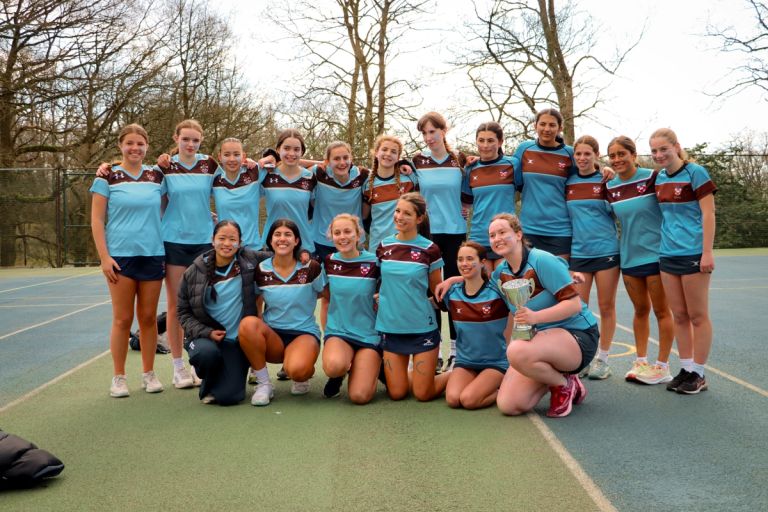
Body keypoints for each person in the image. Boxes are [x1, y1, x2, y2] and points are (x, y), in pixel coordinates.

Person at [490, 214, 598, 418]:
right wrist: (453, 280)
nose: (497, 238)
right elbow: (480, 287)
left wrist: (535, 317)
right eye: (492, 235)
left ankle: (563, 385)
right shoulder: (500, 274)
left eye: (502, 232)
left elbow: (574, 305)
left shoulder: (541, 259)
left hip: (577, 336)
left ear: (518, 234)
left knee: (516, 351)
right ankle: (564, 379)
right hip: (539, 342)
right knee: (509, 405)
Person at [90, 124, 165, 397]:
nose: (135, 148)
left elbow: (172, 206)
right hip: (120, 258)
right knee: (122, 319)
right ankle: (119, 377)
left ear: (147, 147)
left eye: (140, 144)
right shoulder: (107, 177)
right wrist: (104, 257)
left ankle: (149, 373)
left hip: (153, 254)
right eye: (130, 143)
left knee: (148, 318)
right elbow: (97, 220)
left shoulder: (157, 176)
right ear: (120, 146)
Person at [650, 128, 717, 394]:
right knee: (679, 315)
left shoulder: (695, 172)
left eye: (663, 149)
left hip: (693, 253)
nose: (659, 155)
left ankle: (699, 373)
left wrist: (707, 252)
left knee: (698, 315)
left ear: (676, 147)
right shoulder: (658, 178)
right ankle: (687, 368)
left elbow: (709, 213)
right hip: (667, 254)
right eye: (654, 151)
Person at [605, 136, 674, 385]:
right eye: (612, 156)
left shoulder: (653, 178)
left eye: (621, 154)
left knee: (661, 311)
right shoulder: (609, 187)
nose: (617, 159)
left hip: (656, 256)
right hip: (629, 258)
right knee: (640, 310)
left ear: (633, 155)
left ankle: (663, 367)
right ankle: (641, 361)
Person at [177, 220, 271, 405]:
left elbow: (281, 253)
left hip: (235, 341)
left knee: (230, 397)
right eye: (222, 238)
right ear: (213, 240)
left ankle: (222, 379)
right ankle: (207, 376)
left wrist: (303, 253)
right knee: (206, 355)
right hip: (205, 338)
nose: (227, 244)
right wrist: (207, 332)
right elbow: (183, 312)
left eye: (232, 239)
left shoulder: (249, 259)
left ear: (240, 242)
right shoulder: (194, 271)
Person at [238, 219, 324, 405]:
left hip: (303, 333)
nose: (282, 239)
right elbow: (256, 301)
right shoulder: (261, 269)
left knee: (298, 371)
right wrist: (258, 332)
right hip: (273, 336)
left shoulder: (311, 267)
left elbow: (325, 294)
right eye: (277, 234)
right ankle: (264, 384)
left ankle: (303, 371)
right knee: (248, 324)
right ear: (270, 240)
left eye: (288, 235)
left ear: (296, 241)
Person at [376, 192, 449, 401]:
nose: (399, 216)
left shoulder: (430, 249)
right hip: (391, 327)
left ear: (419, 218)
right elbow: (378, 281)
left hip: (421, 328)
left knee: (422, 394)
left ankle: (457, 374)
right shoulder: (383, 246)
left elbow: (437, 291)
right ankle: (418, 378)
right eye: (397, 211)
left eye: (407, 213)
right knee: (397, 393)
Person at [411, 112, 467, 372]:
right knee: (431, 293)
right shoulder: (416, 162)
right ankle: (434, 349)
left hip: (455, 233)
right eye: (424, 133)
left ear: (444, 131)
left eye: (432, 131)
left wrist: (467, 206)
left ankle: (456, 351)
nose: (428, 137)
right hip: (427, 236)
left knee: (455, 290)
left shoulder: (460, 159)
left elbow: (472, 188)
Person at [565, 136, 620, 380]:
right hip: (579, 253)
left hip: (606, 252)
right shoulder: (568, 182)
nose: (582, 158)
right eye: (578, 154)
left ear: (596, 155)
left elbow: (618, 212)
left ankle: (603, 359)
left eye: (587, 153)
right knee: (579, 308)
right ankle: (584, 357)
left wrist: (609, 172)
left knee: (606, 306)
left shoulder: (606, 180)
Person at [320, 214, 382, 404]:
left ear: (358, 235)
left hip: (369, 335)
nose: (342, 237)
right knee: (333, 366)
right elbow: (326, 301)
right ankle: (340, 373)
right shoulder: (329, 262)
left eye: (347, 231)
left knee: (359, 396)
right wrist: (328, 335)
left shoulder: (375, 262)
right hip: (339, 333)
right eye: (337, 233)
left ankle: (375, 367)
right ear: (331, 236)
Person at [442, 241, 508, 409]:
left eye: (470, 259)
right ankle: (476, 382)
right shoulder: (451, 292)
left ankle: (504, 389)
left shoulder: (498, 291)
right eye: (460, 259)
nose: (464, 263)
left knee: (469, 400)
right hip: (465, 362)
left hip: (495, 363)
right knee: (453, 399)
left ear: (482, 262)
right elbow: (429, 304)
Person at [511, 108, 576, 259]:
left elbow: (587, 172)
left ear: (560, 128)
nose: (547, 129)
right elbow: (503, 168)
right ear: (535, 126)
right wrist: (477, 160)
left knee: (558, 274)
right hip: (529, 228)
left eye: (552, 125)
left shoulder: (570, 154)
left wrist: (605, 169)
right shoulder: (524, 149)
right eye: (543, 124)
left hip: (560, 230)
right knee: (529, 274)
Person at [461, 122, 518, 272]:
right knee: (483, 284)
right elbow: (465, 204)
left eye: (490, 140)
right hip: (479, 237)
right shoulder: (470, 169)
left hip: (505, 236)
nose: (485, 145)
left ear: (500, 142)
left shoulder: (513, 164)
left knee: (505, 283)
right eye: (481, 140)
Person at [308, 141, 369, 263]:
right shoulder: (318, 173)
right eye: (336, 159)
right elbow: (292, 162)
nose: (342, 163)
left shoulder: (362, 175)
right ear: (327, 162)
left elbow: (385, 171)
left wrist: (403, 166)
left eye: (345, 158)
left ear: (351, 159)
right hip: (321, 242)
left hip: (353, 241)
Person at [260, 129, 316, 258]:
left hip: (303, 246)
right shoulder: (267, 175)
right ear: (278, 150)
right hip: (273, 245)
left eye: (296, 149)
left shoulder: (310, 177)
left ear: (302, 152)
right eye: (286, 148)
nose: (291, 153)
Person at [362, 134, 419, 253]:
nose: (388, 154)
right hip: (378, 246)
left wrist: (405, 163)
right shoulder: (367, 184)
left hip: (405, 245)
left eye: (393, 152)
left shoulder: (409, 179)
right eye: (384, 149)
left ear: (398, 157)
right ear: (376, 153)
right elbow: (364, 217)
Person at [211, 138, 266, 249]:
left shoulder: (254, 173)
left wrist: (269, 157)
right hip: (225, 248)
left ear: (243, 156)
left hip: (253, 248)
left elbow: (281, 164)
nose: (232, 159)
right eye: (227, 155)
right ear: (220, 157)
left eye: (236, 154)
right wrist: (205, 214)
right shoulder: (214, 179)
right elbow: (194, 195)